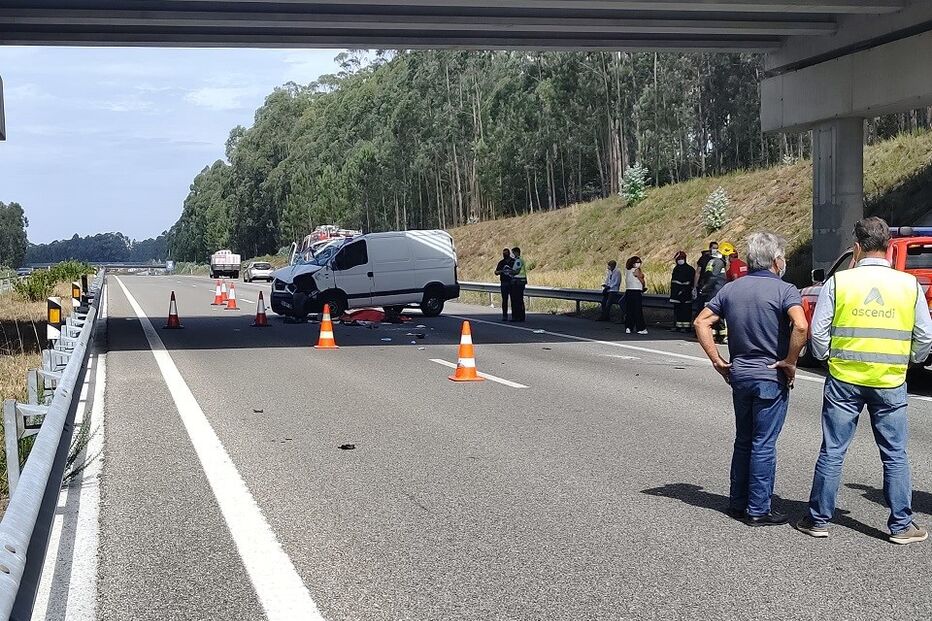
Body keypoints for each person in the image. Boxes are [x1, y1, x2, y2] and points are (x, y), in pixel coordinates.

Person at [795, 217, 932, 544]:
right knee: (895, 453)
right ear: (887, 247)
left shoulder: (839, 283)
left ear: (857, 248)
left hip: (844, 380)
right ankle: (901, 525)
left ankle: (817, 520)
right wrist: (909, 360)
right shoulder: (908, 285)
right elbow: (925, 336)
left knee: (833, 450)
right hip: (890, 381)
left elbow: (819, 332)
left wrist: (828, 356)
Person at [694, 232, 808, 526]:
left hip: (740, 375)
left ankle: (737, 502)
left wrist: (718, 361)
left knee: (743, 439)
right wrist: (791, 361)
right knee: (764, 443)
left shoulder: (732, 289)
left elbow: (701, 321)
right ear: (776, 260)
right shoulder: (786, 290)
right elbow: (800, 324)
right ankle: (759, 508)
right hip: (771, 375)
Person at [701, 244, 728, 343]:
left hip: (713, 290)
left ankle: (718, 335)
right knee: (716, 314)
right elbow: (712, 276)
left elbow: (709, 276)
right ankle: (719, 335)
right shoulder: (718, 262)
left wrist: (704, 287)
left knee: (714, 313)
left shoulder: (713, 261)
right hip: (716, 290)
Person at [669, 251, 695, 332]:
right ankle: (679, 326)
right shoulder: (676, 269)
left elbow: (691, 282)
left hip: (686, 293)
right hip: (677, 294)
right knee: (678, 310)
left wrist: (683, 290)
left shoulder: (689, 269)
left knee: (686, 310)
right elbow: (674, 282)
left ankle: (686, 327)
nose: (679, 260)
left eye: (681, 259)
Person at [693, 241, 719, 318]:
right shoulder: (704, 258)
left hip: (715, 286)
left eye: (717, 248)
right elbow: (698, 272)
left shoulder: (719, 258)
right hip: (703, 285)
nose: (715, 250)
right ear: (710, 248)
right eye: (713, 248)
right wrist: (695, 286)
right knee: (701, 306)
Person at [624, 256, 647, 335]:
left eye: (639, 262)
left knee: (629, 310)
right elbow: (642, 281)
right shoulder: (637, 270)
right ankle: (640, 328)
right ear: (633, 263)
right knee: (637, 311)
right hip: (636, 292)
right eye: (637, 262)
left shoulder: (627, 270)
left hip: (628, 291)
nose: (638, 264)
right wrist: (643, 285)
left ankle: (628, 327)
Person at [494, 248, 515, 321]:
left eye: (506, 253)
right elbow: (496, 272)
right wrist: (501, 271)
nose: (504, 255)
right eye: (503, 253)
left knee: (513, 300)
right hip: (504, 283)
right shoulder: (501, 262)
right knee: (504, 300)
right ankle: (505, 315)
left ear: (509, 253)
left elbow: (517, 271)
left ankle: (514, 315)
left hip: (512, 282)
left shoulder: (513, 261)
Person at [509, 247, 527, 322]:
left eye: (513, 253)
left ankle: (520, 316)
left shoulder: (519, 260)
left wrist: (509, 272)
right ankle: (518, 316)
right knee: (517, 299)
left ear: (516, 252)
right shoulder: (517, 260)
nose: (512, 254)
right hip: (518, 281)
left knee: (518, 299)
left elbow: (517, 271)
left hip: (519, 281)